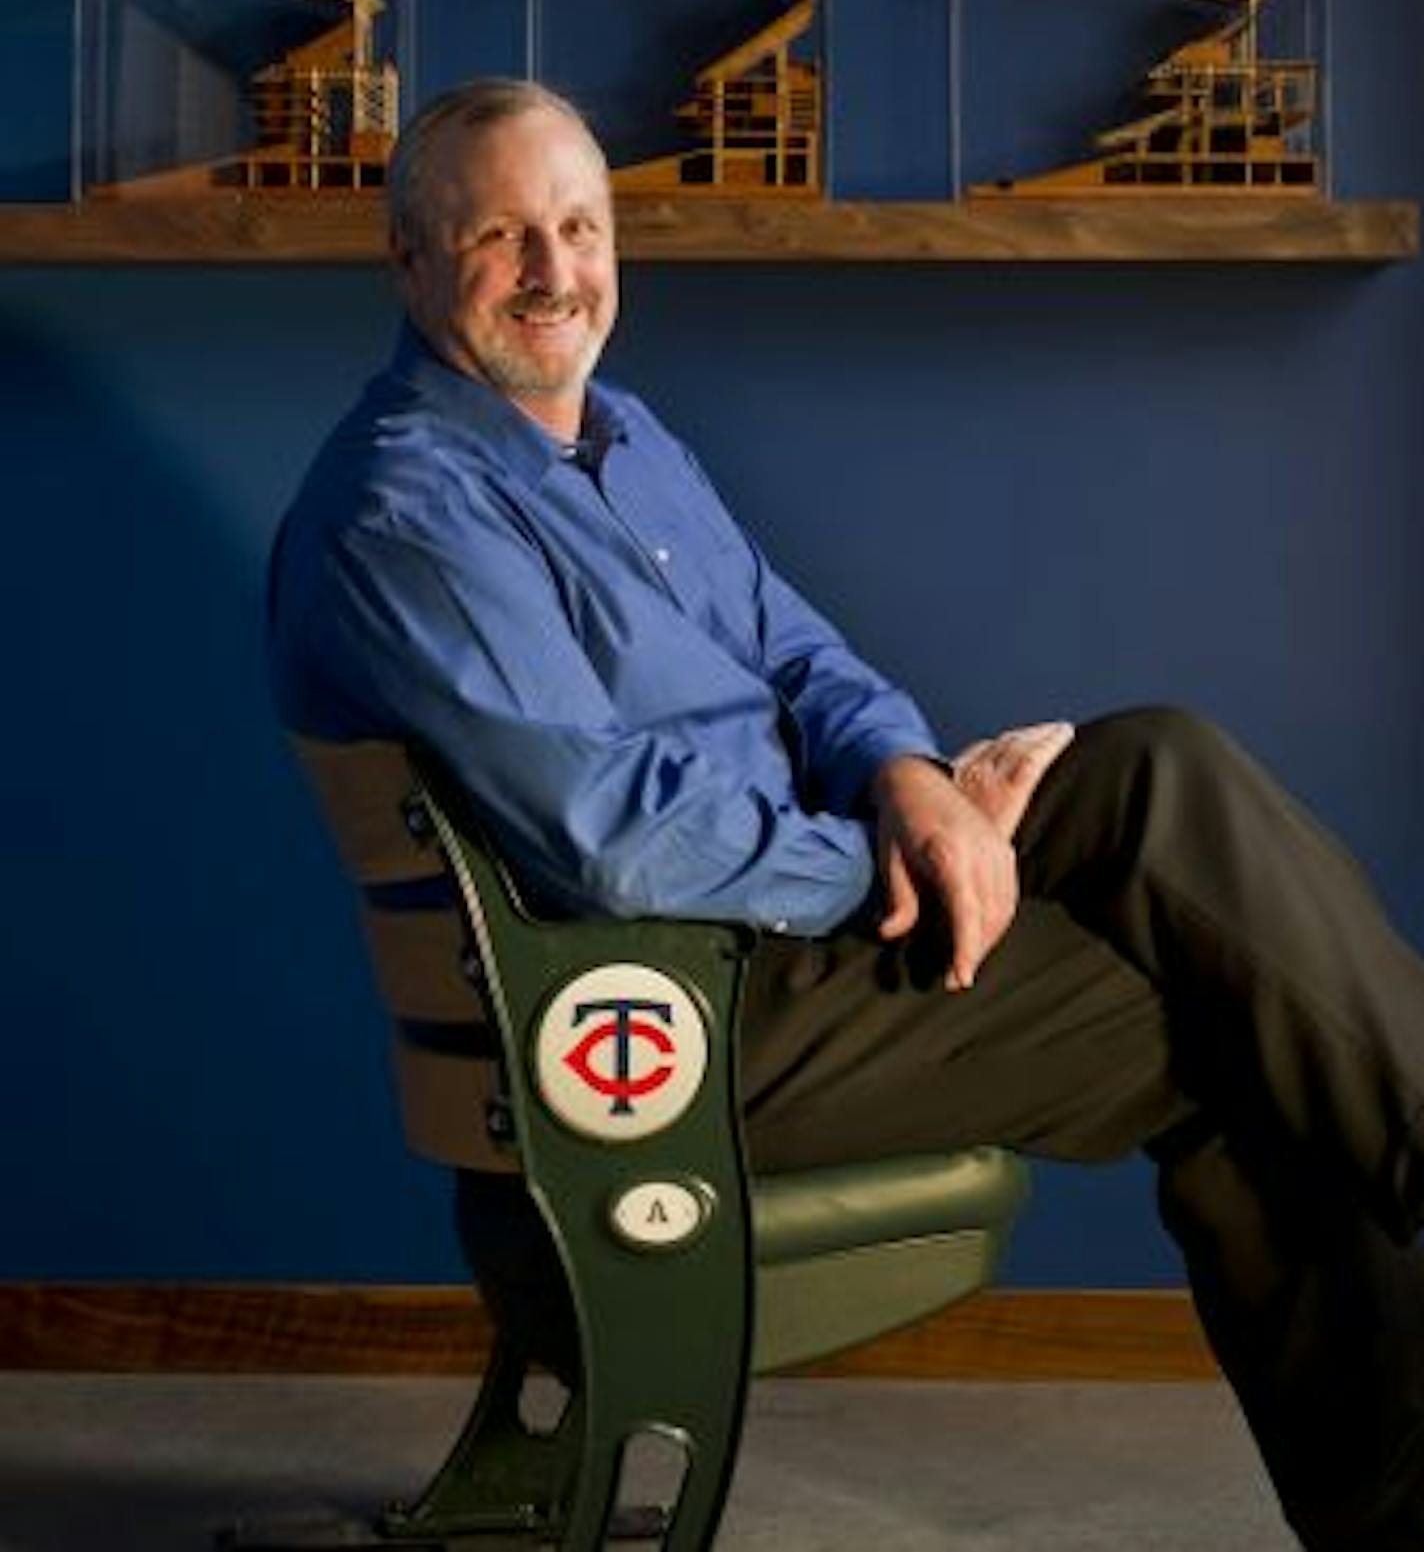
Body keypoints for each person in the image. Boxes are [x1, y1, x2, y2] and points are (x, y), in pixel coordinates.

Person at [269, 76, 1424, 1551]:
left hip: (779, 945)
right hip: (679, 1008)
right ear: (412, 263)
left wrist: (909, 782)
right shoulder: (409, 514)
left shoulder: (624, 441)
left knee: (1153, 767)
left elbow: (807, 657)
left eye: (579, 224)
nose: (556, 272)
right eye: (503, 235)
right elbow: (615, 834)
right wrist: (896, 855)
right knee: (1230, 1009)